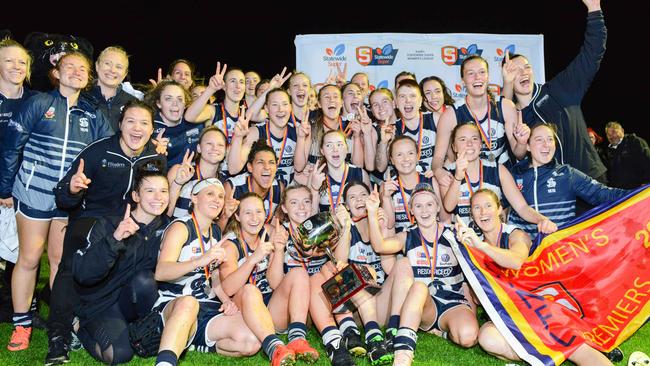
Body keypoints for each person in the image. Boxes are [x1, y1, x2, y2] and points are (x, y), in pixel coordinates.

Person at [0, 51, 113, 354]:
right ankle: (21, 323)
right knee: (29, 259)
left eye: (82, 69)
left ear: (88, 77)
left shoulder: (93, 114)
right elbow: (12, 145)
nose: (76, 72)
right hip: (33, 193)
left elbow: (109, 151)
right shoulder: (38, 102)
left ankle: (61, 325)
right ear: (57, 73)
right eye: (70, 67)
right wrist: (5, 188)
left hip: (70, 201)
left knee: (62, 264)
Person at [48, 100, 165, 365]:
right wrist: (73, 189)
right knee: (72, 268)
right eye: (131, 121)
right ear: (120, 124)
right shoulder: (97, 151)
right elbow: (62, 197)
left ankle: (117, 320)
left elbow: (157, 193)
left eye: (144, 123)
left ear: (151, 128)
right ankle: (59, 334)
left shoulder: (154, 158)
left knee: (138, 270)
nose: (137, 128)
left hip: (133, 223)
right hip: (92, 221)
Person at [456, 188, 614, 366]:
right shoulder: (475, 247)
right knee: (487, 338)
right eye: (477, 208)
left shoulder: (516, 235)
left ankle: (571, 350)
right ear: (471, 214)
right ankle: (545, 355)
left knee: (570, 345)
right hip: (508, 317)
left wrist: (481, 248)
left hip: (537, 310)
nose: (483, 212)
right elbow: (478, 297)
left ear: (499, 209)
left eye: (488, 205)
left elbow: (516, 261)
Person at [366, 183, 479, 366]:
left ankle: (440, 331)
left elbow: (473, 275)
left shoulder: (454, 234)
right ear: (411, 210)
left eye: (429, 205)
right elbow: (380, 246)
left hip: (452, 303)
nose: (424, 210)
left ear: (437, 207)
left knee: (467, 336)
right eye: (418, 206)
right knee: (418, 287)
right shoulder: (407, 236)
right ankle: (403, 355)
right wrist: (372, 213)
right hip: (423, 303)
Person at [153, 178, 263, 366]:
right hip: (175, 303)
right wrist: (200, 260)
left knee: (251, 341)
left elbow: (212, 276)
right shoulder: (181, 227)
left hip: (206, 305)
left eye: (220, 196)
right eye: (210, 194)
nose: (217, 200)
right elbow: (161, 272)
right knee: (188, 303)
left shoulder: (215, 232)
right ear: (194, 198)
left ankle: (195, 344)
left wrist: (226, 301)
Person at [500, 0, 607, 182]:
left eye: (526, 67)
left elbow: (591, 54)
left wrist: (594, 10)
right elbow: (513, 153)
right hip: (551, 191)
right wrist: (507, 87)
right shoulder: (512, 116)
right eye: (514, 70)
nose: (522, 72)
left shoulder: (560, 88)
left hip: (591, 179)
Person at [72, 170, 170, 365]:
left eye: (164, 191)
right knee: (119, 355)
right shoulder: (109, 224)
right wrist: (115, 239)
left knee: (144, 280)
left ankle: (135, 326)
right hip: (101, 303)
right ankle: (77, 326)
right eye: (150, 190)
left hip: (132, 300)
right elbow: (83, 274)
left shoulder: (167, 227)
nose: (158, 197)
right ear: (136, 196)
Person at [219, 193, 320, 363]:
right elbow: (228, 288)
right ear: (237, 216)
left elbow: (275, 283)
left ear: (265, 213)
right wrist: (253, 259)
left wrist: (279, 250)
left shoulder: (270, 233)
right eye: (247, 213)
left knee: (299, 273)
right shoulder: (230, 244)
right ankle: (273, 347)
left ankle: (297, 339)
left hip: (270, 307)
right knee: (250, 290)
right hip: (245, 309)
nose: (254, 218)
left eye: (258, 212)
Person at [510, 123, 631, 238]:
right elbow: (501, 208)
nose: (546, 145)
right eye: (539, 139)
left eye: (550, 139)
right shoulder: (514, 175)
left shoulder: (567, 174)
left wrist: (640, 193)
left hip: (560, 251)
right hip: (524, 253)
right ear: (527, 146)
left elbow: (603, 193)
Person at [441, 122, 556, 233]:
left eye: (475, 139)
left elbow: (521, 207)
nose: (469, 143)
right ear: (454, 147)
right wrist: (457, 177)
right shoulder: (447, 173)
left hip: (494, 241)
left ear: (481, 145)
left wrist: (542, 220)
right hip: (465, 242)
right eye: (463, 139)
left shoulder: (498, 169)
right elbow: (449, 206)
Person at [433, 55, 527, 186]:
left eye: (482, 72)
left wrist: (522, 143)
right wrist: (438, 170)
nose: (477, 77)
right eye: (471, 73)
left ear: (488, 76)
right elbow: (438, 157)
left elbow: (519, 154)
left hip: (503, 178)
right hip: (468, 180)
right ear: (462, 80)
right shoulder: (450, 115)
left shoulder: (505, 107)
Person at [0, 38, 39, 323]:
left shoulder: (35, 101)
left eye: (22, 62)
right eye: (9, 60)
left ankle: (23, 307)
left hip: (23, 187)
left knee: (23, 252)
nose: (16, 66)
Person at [228, 88, 298, 185]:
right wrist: (238, 137)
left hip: (288, 196)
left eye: (285, 104)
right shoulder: (255, 133)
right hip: (261, 196)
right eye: (274, 105)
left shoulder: (298, 133)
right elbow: (233, 169)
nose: (280, 109)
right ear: (266, 109)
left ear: (290, 107)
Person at [381, 136, 447, 233]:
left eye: (410, 153)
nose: (406, 159)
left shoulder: (431, 181)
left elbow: (444, 218)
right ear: (392, 160)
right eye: (399, 154)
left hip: (431, 241)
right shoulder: (388, 186)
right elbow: (389, 225)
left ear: (417, 157)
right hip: (403, 243)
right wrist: (386, 197)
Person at [168, 126, 229, 219]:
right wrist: (178, 184)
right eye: (209, 143)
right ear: (199, 148)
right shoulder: (179, 171)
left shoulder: (224, 182)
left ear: (225, 151)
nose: (215, 148)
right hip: (176, 230)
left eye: (220, 145)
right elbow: (165, 214)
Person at [308, 130, 370, 213]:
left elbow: (371, 208)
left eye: (339, 144)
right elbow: (311, 219)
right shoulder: (316, 175)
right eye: (329, 145)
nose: (335, 149)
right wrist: (315, 190)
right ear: (322, 151)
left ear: (347, 148)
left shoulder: (360, 174)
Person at [147, 80, 204, 167]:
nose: (175, 104)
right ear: (158, 103)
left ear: (185, 103)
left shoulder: (196, 122)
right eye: (168, 99)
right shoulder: (148, 126)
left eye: (180, 99)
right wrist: (150, 151)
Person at [225, 142, 284, 224]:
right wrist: (225, 216)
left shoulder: (279, 188)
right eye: (260, 162)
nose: (267, 167)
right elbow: (218, 230)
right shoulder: (233, 187)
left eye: (271, 162)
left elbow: (278, 222)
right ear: (250, 167)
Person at [84, 46, 137, 132]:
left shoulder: (132, 103)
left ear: (125, 73)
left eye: (119, 67)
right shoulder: (81, 97)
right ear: (97, 66)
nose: (112, 70)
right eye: (107, 63)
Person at [603, 121, 650, 189]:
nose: (611, 136)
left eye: (614, 132)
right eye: (608, 134)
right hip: (621, 193)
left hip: (639, 189)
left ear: (622, 131)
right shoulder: (608, 152)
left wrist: (647, 182)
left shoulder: (635, 142)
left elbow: (647, 161)